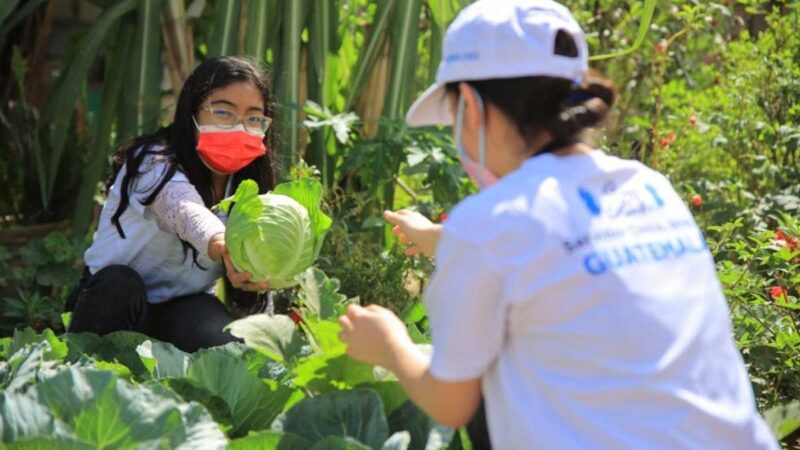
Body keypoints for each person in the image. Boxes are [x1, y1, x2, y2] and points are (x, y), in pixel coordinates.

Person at [337, 1, 779, 449]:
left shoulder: (489, 223)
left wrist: (390, 344)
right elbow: (572, 253)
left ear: (469, 105)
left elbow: (452, 403)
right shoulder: (648, 187)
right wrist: (442, 240)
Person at [66, 57, 276, 353]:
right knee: (120, 284)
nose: (240, 128)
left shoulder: (250, 186)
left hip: (181, 308)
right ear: (192, 111)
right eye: (223, 112)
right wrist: (220, 242)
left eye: (254, 118)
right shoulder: (153, 161)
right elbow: (183, 209)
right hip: (112, 301)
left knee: (229, 349)